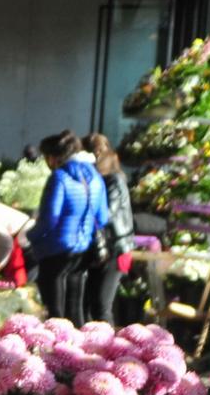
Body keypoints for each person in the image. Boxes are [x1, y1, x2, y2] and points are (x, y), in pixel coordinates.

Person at [31, 130, 107, 323]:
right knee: (75, 311)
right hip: (83, 250)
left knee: (54, 313)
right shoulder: (96, 177)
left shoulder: (59, 177)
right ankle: (79, 350)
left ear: (52, 157)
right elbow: (103, 216)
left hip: (55, 250)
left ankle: (54, 352)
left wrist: (29, 236)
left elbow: (50, 219)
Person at [85, 132, 135, 326]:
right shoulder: (108, 179)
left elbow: (107, 213)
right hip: (109, 245)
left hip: (116, 247)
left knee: (101, 304)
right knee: (95, 304)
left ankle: (107, 348)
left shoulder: (114, 180)